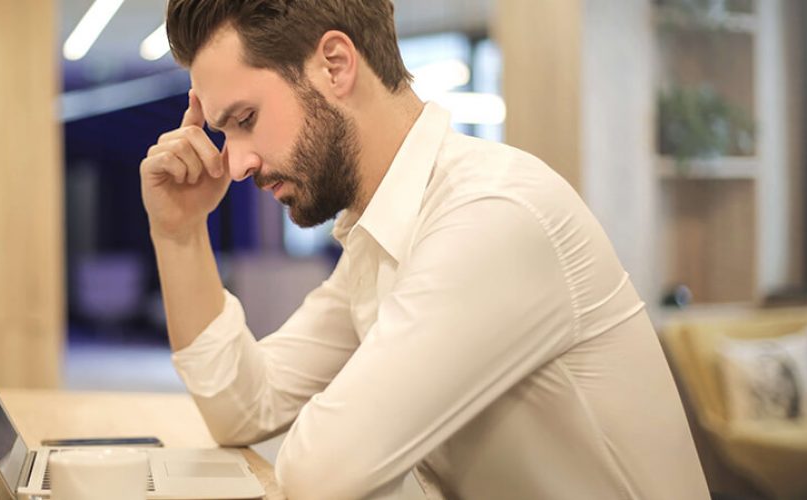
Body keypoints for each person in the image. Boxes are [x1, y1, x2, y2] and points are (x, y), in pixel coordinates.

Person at [137, 1, 710, 498]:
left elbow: (324, 474)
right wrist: (180, 234)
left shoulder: (493, 215)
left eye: (245, 120)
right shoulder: (381, 236)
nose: (235, 164)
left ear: (334, 65)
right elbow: (244, 407)